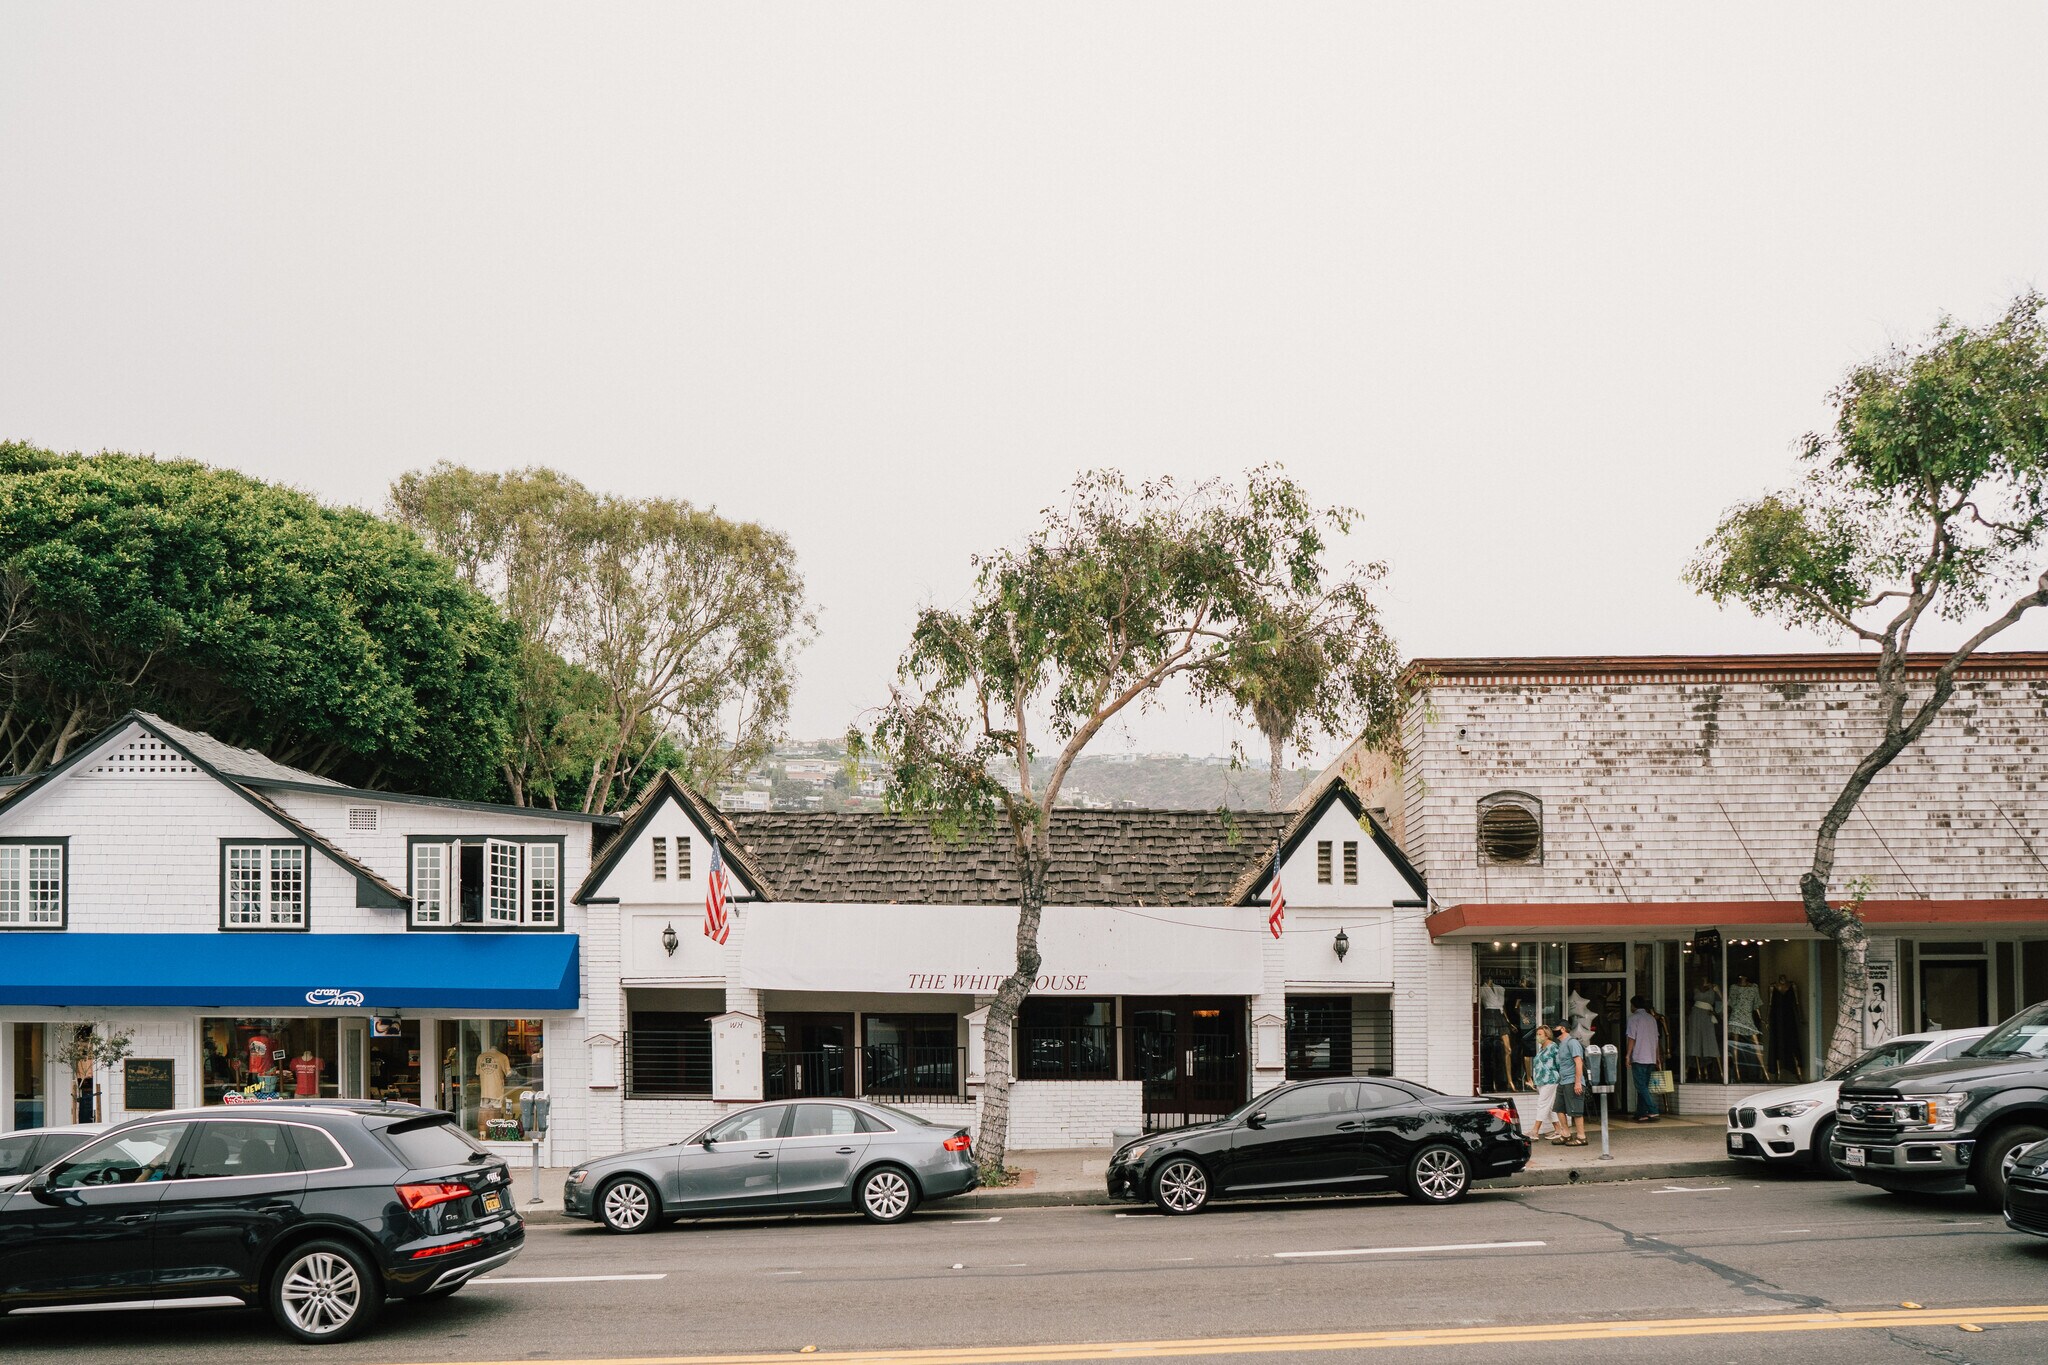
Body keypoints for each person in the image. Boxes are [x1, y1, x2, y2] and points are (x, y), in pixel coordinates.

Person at [1551, 1018, 1587, 1145]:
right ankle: (1566, 1134)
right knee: (1559, 1108)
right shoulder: (1561, 1044)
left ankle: (1581, 1137)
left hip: (1572, 1081)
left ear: (1562, 1029)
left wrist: (1578, 1082)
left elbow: (1578, 1063)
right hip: (1563, 1081)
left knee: (1576, 1110)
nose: (1553, 1030)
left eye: (1555, 1028)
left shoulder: (1572, 1043)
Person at [1627, 995, 1661, 1122]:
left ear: (1634, 1006)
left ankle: (1653, 1109)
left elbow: (1631, 1038)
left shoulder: (1633, 1019)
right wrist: (1657, 1056)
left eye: (1631, 1005)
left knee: (1640, 1086)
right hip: (1651, 1057)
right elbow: (1656, 1039)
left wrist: (1628, 1055)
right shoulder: (1651, 1019)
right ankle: (1641, 1113)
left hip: (1639, 1057)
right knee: (1644, 1086)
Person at [1524, 1024, 1562, 1140]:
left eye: (1540, 1034)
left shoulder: (1553, 1047)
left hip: (1550, 1080)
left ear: (1547, 1035)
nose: (1538, 1037)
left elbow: (1559, 1064)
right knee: (1549, 1107)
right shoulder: (1542, 1048)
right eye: (1537, 1034)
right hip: (1541, 1081)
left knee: (1542, 1104)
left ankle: (1535, 1131)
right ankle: (1558, 1130)